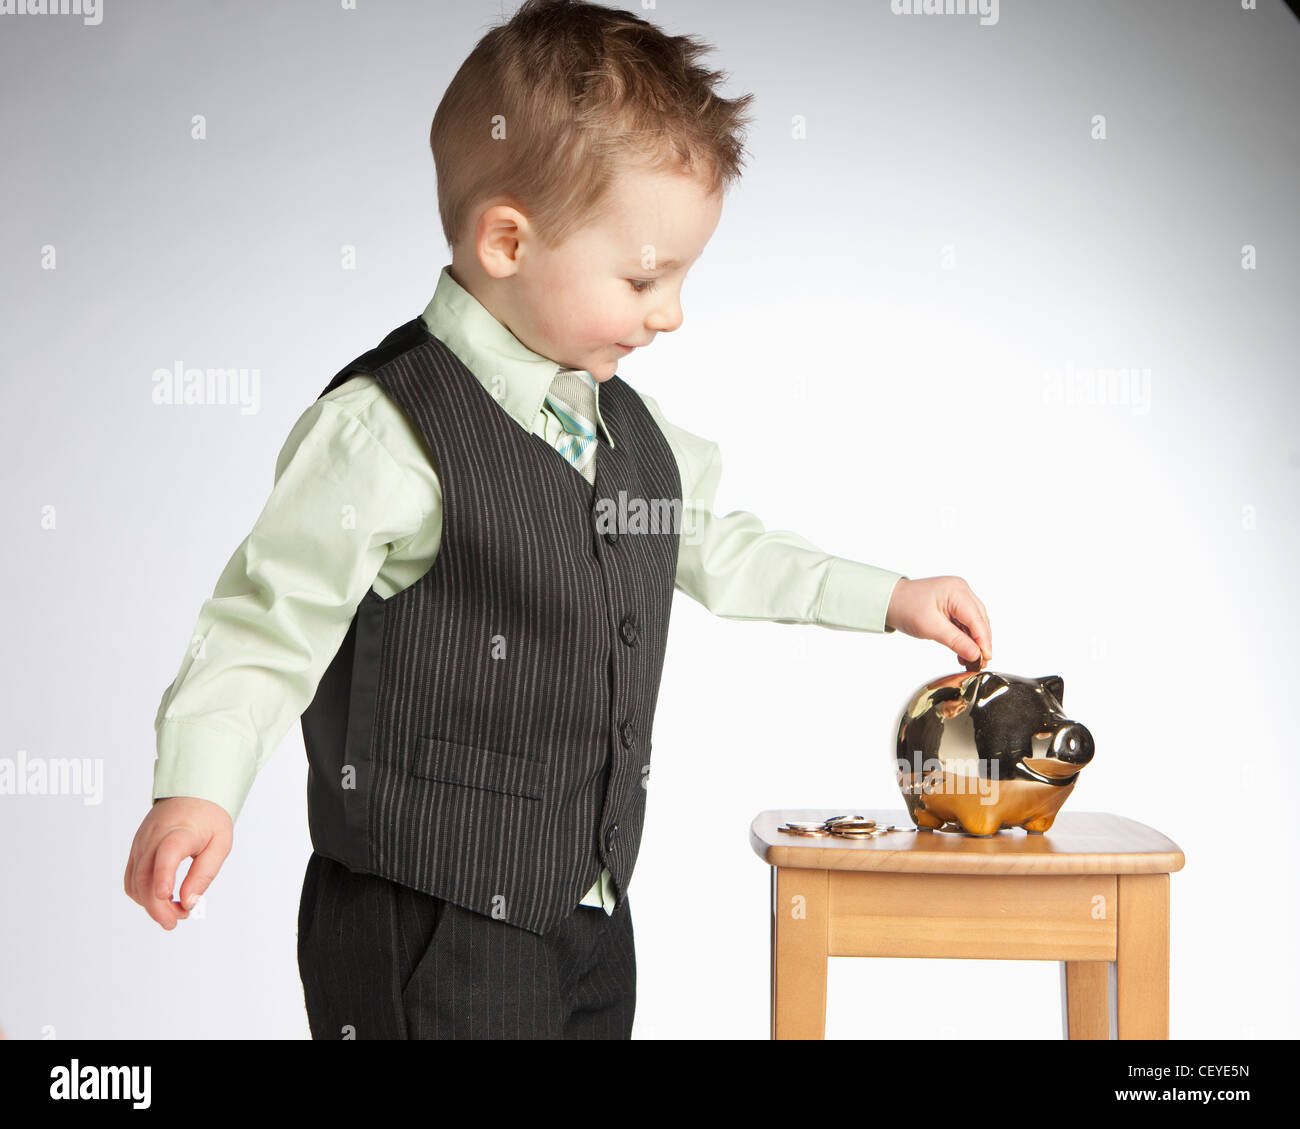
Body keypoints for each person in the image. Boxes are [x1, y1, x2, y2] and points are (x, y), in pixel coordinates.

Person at [123, 0, 992, 1039]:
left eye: (679, 277)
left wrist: (887, 597)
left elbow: (711, 542)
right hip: (425, 916)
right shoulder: (386, 430)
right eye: (642, 277)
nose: (669, 312)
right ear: (506, 239)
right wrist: (198, 789)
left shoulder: (619, 424)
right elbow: (267, 624)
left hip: (585, 913)